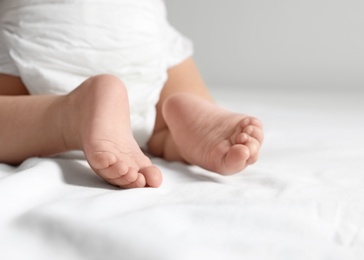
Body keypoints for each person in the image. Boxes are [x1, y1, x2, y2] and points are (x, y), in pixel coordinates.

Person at [0, 0, 263, 188]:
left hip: (38, 25)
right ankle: (172, 122)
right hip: (137, 27)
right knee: (158, 118)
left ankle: (68, 116)